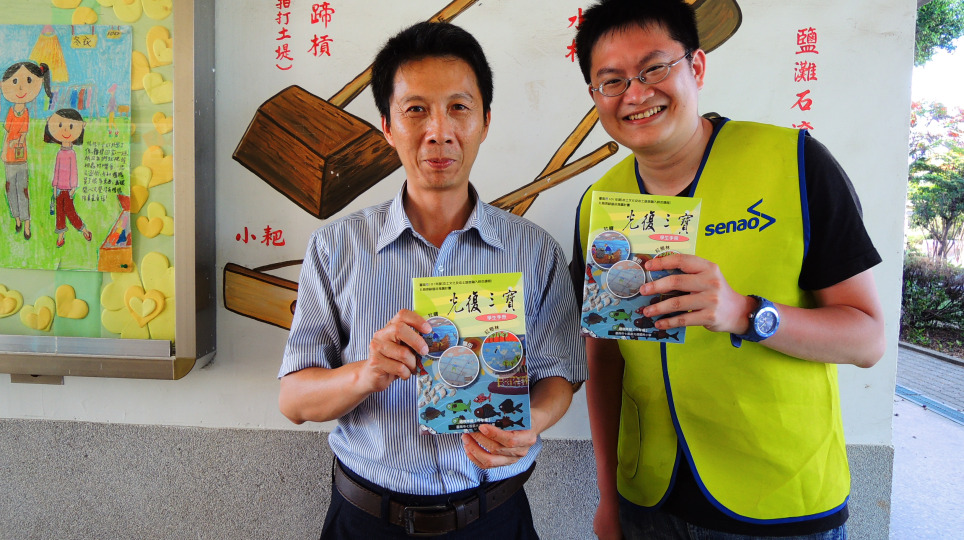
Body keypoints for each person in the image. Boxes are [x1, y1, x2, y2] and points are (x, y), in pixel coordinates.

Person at [570, 1, 886, 539]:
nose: (636, 94)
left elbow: (868, 339)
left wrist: (746, 314)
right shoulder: (598, 202)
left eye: (654, 68)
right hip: (650, 500)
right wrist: (608, 496)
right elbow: (604, 356)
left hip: (781, 503)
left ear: (695, 67)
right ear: (596, 95)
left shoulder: (796, 162)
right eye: (613, 81)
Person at [279, 21, 587, 539]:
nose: (439, 131)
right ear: (387, 125)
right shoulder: (336, 248)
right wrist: (367, 373)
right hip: (367, 519)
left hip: (495, 516)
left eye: (459, 107)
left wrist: (531, 421)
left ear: (485, 122)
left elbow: (561, 375)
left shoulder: (534, 251)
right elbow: (293, 401)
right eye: (416, 109)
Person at [2, 61, 52, 241]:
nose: (21, 88)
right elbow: (7, 132)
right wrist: (5, 150)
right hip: (8, 158)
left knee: (22, 190)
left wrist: (16, 141)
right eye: (15, 82)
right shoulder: (10, 111)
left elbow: (23, 134)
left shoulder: (25, 113)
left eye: (27, 81)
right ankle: (17, 219)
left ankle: (27, 223)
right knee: (10, 189)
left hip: (20, 157)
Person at [44, 108, 93, 247]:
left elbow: (74, 172)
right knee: (60, 212)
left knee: (70, 212)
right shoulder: (60, 153)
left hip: (68, 189)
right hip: (59, 189)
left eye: (71, 126)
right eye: (60, 125)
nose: (65, 130)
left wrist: (73, 187)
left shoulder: (72, 154)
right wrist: (54, 186)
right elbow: (56, 171)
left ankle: (84, 230)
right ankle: (61, 236)